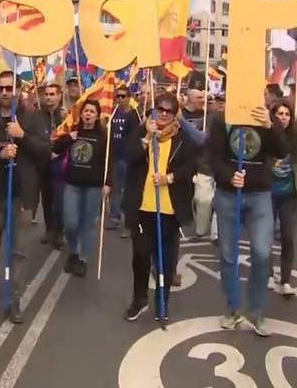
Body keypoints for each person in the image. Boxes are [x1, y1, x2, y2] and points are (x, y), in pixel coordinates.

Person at [0, 71, 49, 323]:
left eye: (10, 88)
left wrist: (22, 136)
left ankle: (14, 300)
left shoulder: (31, 117)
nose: (5, 92)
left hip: (23, 195)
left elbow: (44, 152)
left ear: (17, 90)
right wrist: (1, 155)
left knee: (18, 252)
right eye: (1, 88)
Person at [209, 96, 286, 336]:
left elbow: (283, 150)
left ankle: (256, 309)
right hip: (228, 195)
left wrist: (270, 127)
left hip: (260, 195)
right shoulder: (222, 119)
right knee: (228, 254)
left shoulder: (267, 118)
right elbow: (213, 158)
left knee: (263, 253)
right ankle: (232, 308)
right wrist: (229, 176)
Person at [121, 92, 196, 322]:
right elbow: (128, 157)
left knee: (165, 261)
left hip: (169, 210)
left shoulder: (183, 138)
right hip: (142, 208)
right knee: (141, 257)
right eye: (159, 109)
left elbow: (191, 166)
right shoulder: (143, 131)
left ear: (175, 115)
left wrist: (169, 178)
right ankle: (139, 299)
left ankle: (162, 302)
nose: (163, 114)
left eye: (168, 111)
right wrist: (145, 138)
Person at [54, 99, 111, 277]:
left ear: (97, 116)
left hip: (93, 187)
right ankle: (73, 251)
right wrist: (67, 138)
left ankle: (82, 259)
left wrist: (108, 183)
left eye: (92, 112)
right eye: (86, 111)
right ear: (82, 114)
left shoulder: (103, 136)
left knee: (87, 225)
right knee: (70, 223)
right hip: (72, 183)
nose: (88, 114)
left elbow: (110, 161)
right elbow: (56, 149)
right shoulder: (74, 133)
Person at [268, 100, 297, 296]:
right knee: (265, 236)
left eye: (287, 114)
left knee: (288, 237)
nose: (283, 117)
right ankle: (266, 273)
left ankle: (285, 279)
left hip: (289, 193)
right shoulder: (266, 134)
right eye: (279, 113)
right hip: (267, 192)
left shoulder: (296, 136)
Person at [179, 85, 215, 241]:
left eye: (203, 98)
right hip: (185, 159)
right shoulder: (182, 113)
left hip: (206, 164)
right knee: (193, 196)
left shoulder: (210, 116)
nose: (203, 100)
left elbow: (201, 139)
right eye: (199, 98)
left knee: (206, 199)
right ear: (189, 100)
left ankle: (213, 234)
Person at [107, 85, 140, 231]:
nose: (120, 99)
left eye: (123, 96)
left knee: (128, 190)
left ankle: (129, 219)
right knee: (115, 189)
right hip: (114, 156)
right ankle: (114, 217)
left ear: (129, 98)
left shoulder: (134, 115)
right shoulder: (112, 114)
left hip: (128, 158)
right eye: (118, 96)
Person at [36, 83, 65, 247]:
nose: (48, 97)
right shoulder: (39, 116)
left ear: (59, 96)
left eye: (52, 94)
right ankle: (50, 229)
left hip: (61, 163)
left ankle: (60, 231)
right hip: (44, 162)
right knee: (47, 198)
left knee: (59, 199)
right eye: (46, 94)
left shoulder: (65, 115)